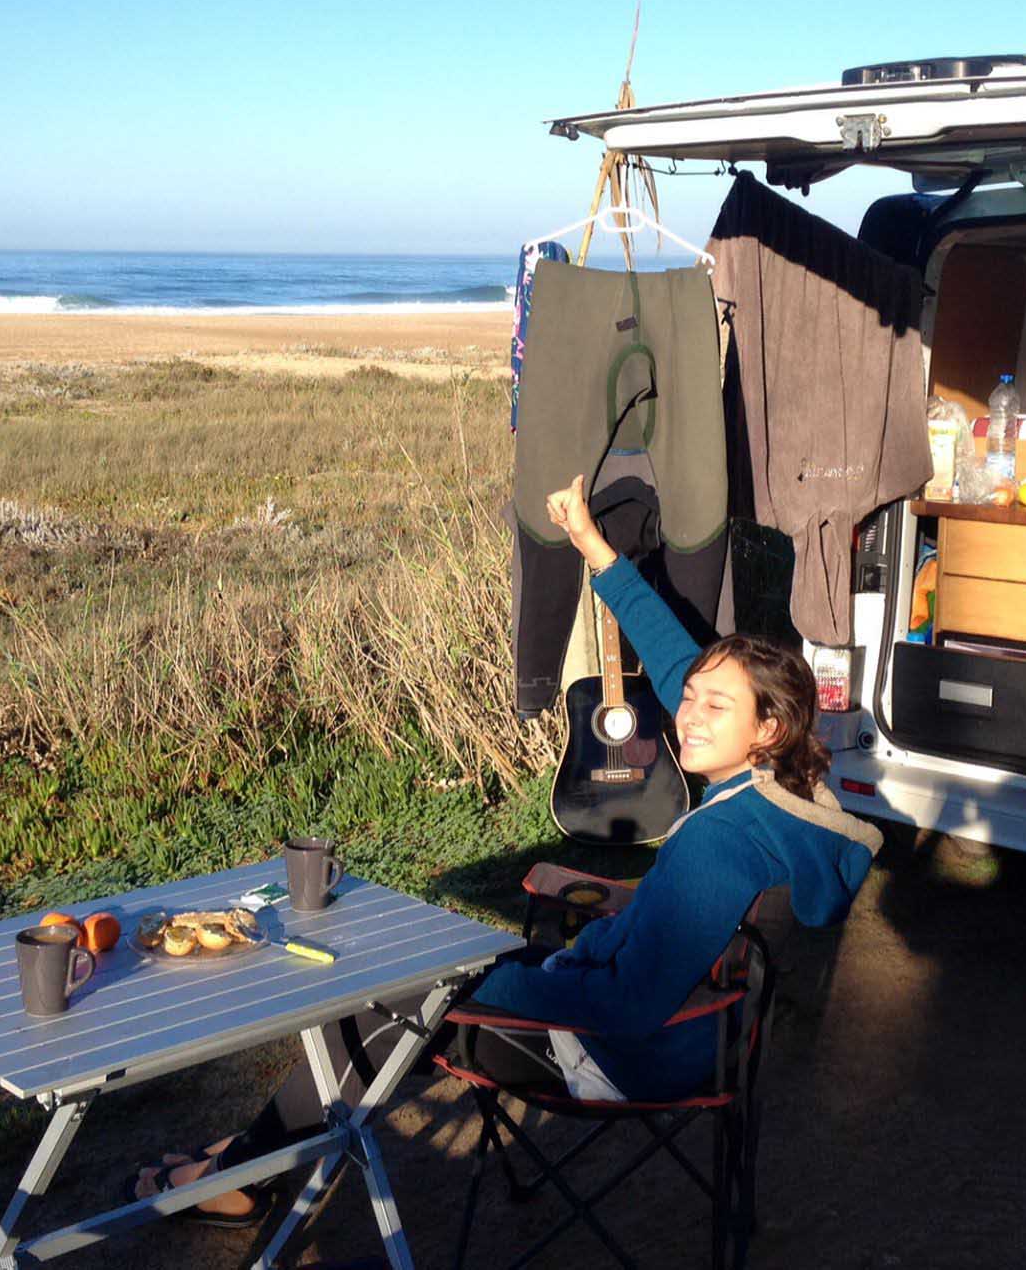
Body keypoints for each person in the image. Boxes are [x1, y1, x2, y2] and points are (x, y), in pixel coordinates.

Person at [128, 474, 882, 1227]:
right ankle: (248, 1154)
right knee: (420, 985)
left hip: (621, 1054)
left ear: (767, 729)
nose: (687, 714)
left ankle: (238, 1176)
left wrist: (485, 982)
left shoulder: (717, 842)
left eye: (714, 705)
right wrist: (590, 544)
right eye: (689, 696)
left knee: (380, 1009)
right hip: (693, 1033)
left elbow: (627, 1006)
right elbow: (670, 658)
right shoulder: (773, 803)